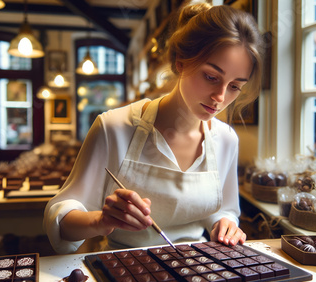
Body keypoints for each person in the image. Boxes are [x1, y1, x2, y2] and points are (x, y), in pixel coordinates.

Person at [44, 2, 264, 254]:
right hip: (123, 268)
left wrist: (225, 225)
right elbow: (60, 222)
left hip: (196, 268)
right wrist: (100, 221)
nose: (220, 97)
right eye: (211, 77)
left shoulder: (226, 139)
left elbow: (224, 211)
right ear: (180, 62)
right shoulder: (114, 128)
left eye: (235, 86)